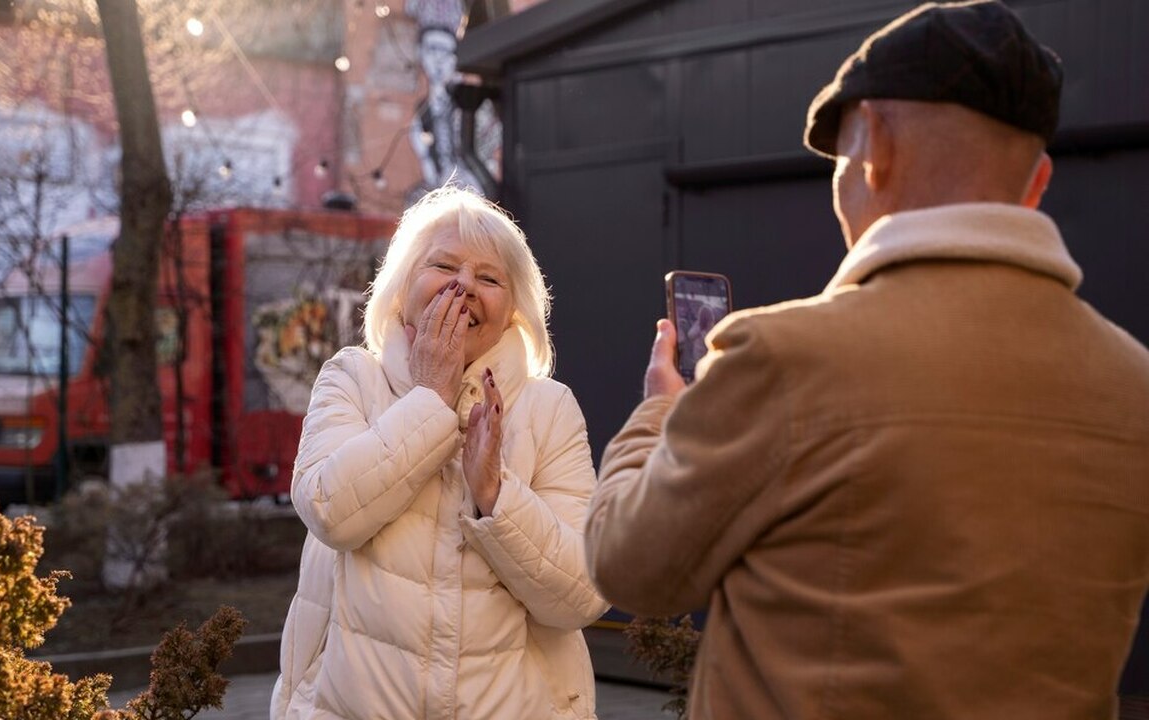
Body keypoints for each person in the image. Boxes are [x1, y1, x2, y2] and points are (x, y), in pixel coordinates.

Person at [585, 2, 1149, 718]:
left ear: (874, 148)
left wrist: (659, 410)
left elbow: (628, 566)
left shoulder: (785, 358)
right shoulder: (1133, 383)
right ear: (1036, 183)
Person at [271, 186, 608, 720]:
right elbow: (329, 512)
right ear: (401, 291)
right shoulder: (351, 378)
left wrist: (495, 495)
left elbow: (583, 594)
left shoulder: (549, 408)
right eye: (444, 265)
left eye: (489, 278)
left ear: (513, 315)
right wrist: (429, 400)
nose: (463, 286)